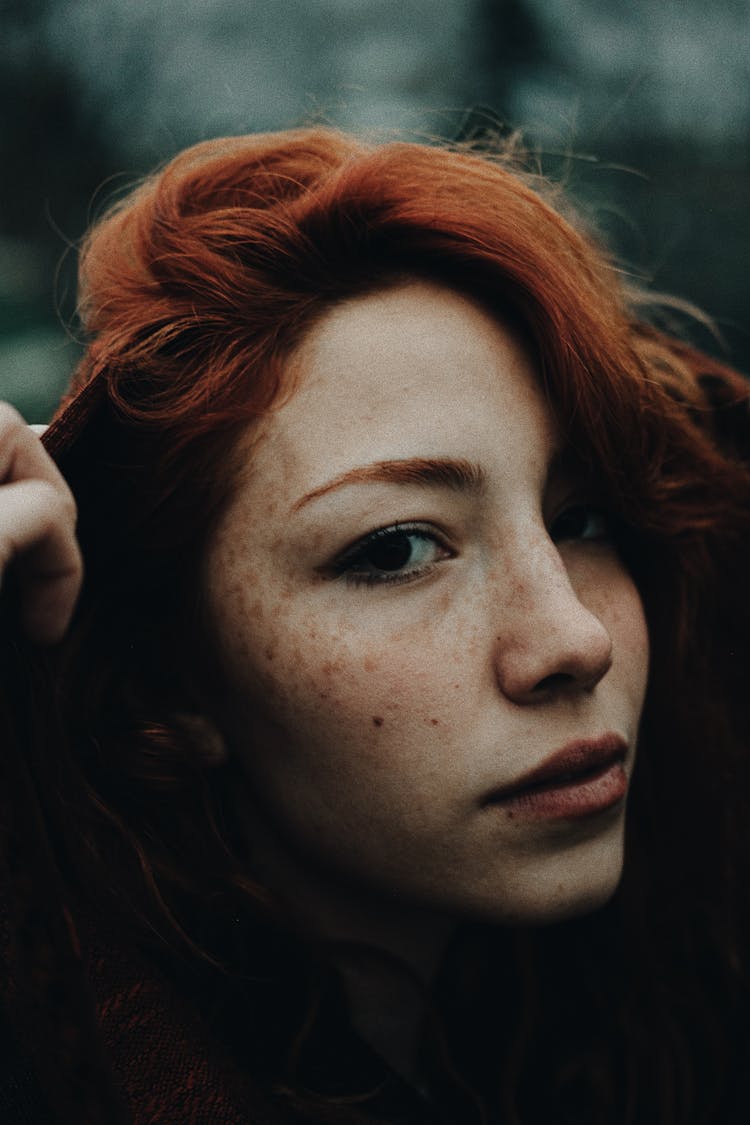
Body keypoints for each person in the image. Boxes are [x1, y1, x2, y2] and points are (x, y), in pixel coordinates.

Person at [0, 126, 748, 1125]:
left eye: (584, 518)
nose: (576, 641)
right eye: (395, 548)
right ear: (165, 684)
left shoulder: (660, 1030)